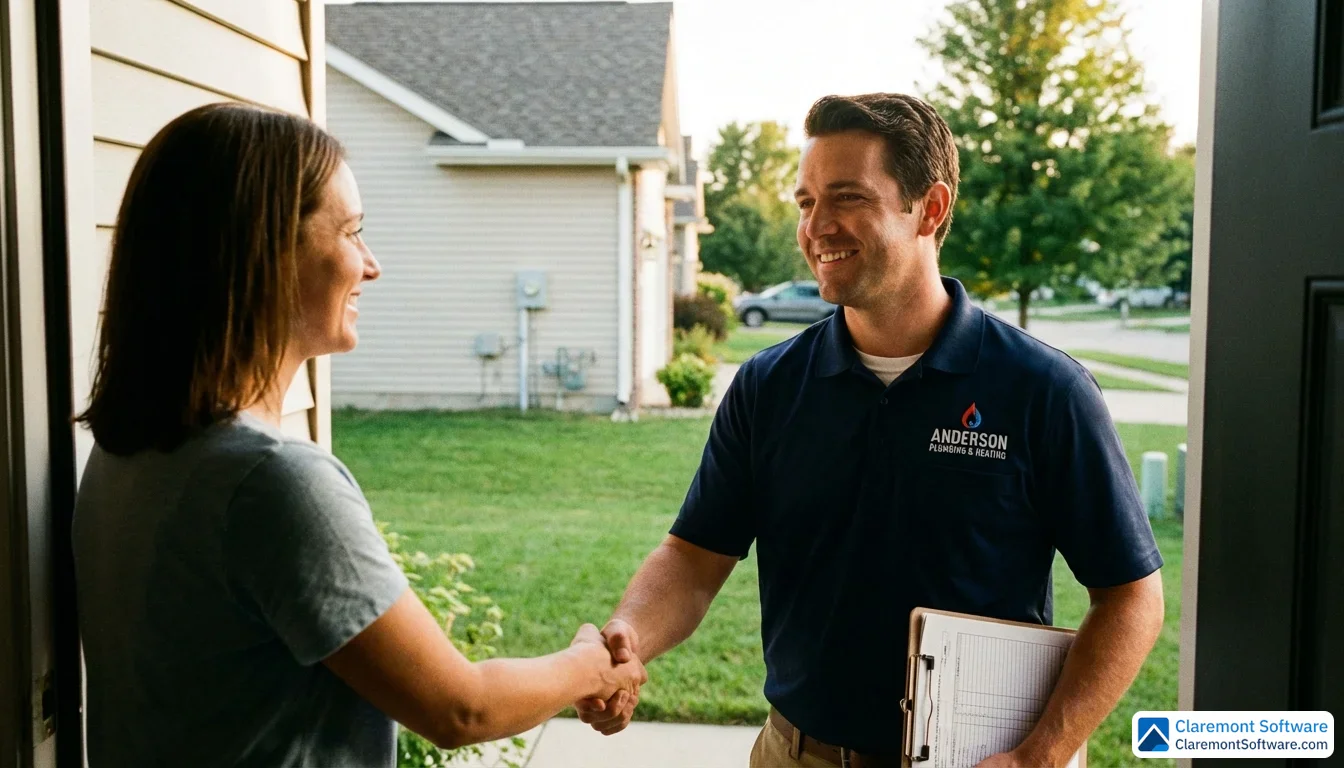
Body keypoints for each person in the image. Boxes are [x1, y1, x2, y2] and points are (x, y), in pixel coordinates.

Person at [574, 93, 1165, 768]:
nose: (816, 226)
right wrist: (626, 639)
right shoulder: (769, 387)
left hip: (976, 761)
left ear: (930, 209)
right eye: (804, 202)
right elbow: (693, 558)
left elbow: (1130, 597)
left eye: (848, 197)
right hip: (797, 754)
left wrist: (1043, 754)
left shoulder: (1043, 391)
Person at [71, 103, 644, 768]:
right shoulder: (268, 482)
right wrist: (588, 666)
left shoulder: (127, 453)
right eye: (351, 233)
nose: (371, 265)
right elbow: (461, 707)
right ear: (265, 252)